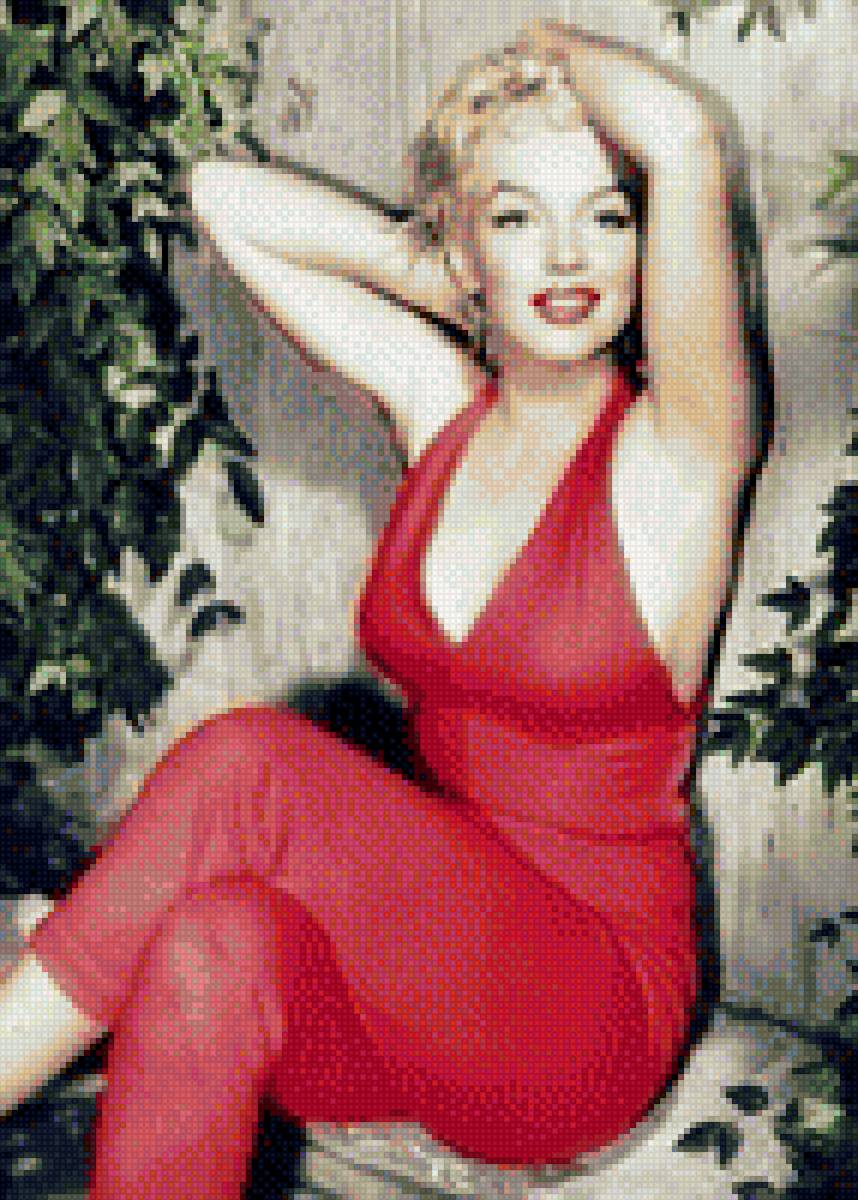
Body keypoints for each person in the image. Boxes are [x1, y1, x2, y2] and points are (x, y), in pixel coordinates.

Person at [0, 18, 756, 1199]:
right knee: (213, 942)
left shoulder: (681, 457)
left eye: (606, 218)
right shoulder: (439, 408)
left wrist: (544, 47)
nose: (568, 255)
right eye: (520, 217)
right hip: (417, 999)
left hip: (582, 1022)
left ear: (648, 248)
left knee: (248, 767)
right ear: (465, 242)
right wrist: (459, 273)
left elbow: (683, 135)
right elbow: (224, 199)